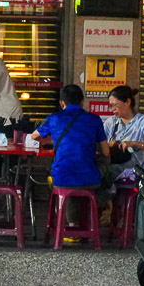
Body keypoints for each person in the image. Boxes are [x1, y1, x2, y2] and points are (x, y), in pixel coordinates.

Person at [31, 85, 110, 223]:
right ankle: (102, 202)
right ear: (82, 102)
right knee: (105, 163)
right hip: (89, 179)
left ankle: (72, 223)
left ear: (62, 103)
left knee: (67, 175)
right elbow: (106, 151)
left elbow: (34, 136)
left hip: (61, 179)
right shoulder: (95, 119)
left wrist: (53, 140)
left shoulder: (54, 118)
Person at [103, 85, 144, 183]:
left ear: (127, 102)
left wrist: (134, 144)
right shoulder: (110, 123)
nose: (112, 109)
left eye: (115, 105)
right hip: (113, 168)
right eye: (110, 106)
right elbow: (100, 146)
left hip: (135, 174)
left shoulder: (143, 122)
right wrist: (109, 145)